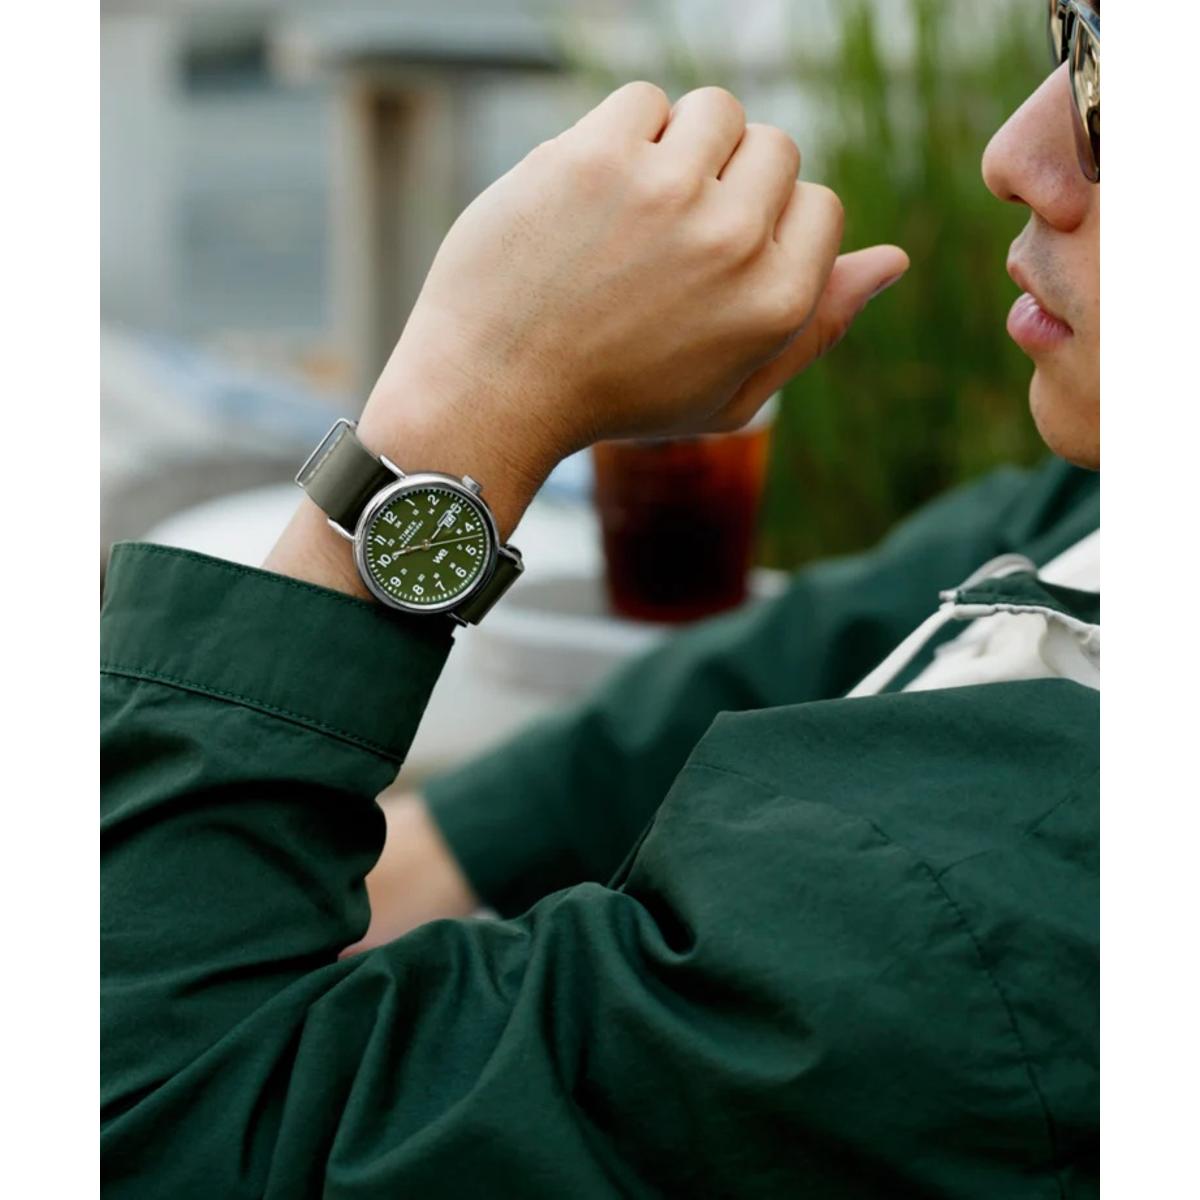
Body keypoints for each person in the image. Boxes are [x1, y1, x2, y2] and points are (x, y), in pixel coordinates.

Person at [100, 2, 1100, 1195]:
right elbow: (875, 602)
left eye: (1119, 91)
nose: (1014, 155)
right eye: (1073, 34)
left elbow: (134, 1122)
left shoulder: (960, 921)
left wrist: (467, 399)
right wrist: (456, 840)